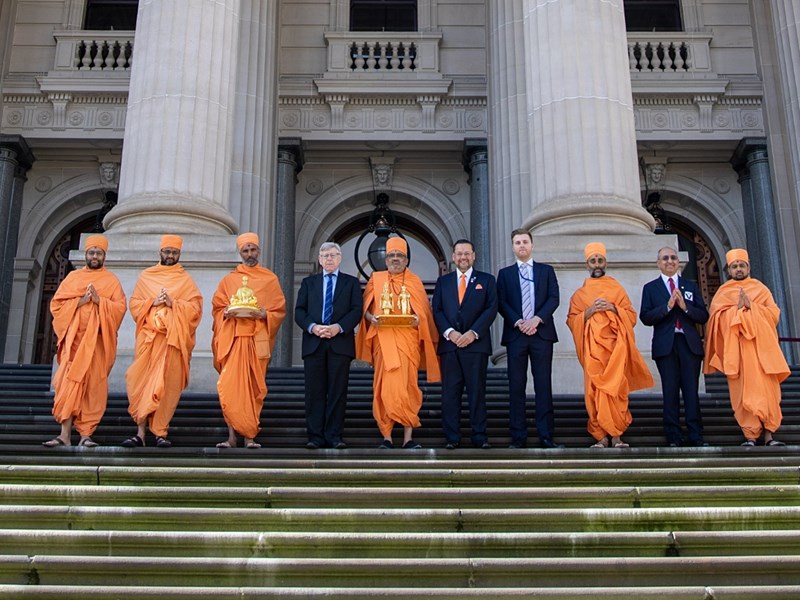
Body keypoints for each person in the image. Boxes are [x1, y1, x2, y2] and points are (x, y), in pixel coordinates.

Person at [356, 236, 441, 449]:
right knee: (384, 389)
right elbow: (365, 309)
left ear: (406, 260)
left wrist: (417, 318)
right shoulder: (376, 280)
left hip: (407, 342)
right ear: (385, 260)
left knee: (407, 388)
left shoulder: (414, 282)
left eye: (400, 256)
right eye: (392, 255)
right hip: (383, 341)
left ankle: (408, 438)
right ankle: (386, 437)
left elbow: (423, 311)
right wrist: (371, 318)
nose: (395, 259)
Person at [567, 242, 653, 448]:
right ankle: (601, 437)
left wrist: (614, 308)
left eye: (600, 260)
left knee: (616, 390)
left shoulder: (617, 289)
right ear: (587, 265)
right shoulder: (580, 295)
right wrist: (590, 311)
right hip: (593, 352)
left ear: (605, 263)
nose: (597, 264)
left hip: (615, 350)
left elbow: (631, 316)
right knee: (595, 392)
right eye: (593, 261)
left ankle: (617, 436)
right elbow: (572, 320)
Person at [43, 234, 126, 448]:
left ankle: (86, 435)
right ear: (86, 255)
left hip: (96, 348)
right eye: (92, 252)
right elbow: (57, 307)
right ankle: (64, 434)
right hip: (74, 346)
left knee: (93, 390)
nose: (95, 256)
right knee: (68, 387)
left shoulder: (111, 281)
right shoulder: (72, 279)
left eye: (99, 253)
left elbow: (119, 310)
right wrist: (81, 301)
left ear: (104, 256)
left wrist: (100, 301)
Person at [122, 235, 203, 448]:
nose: (170, 256)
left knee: (167, 387)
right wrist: (153, 302)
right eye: (167, 252)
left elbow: (195, 310)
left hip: (172, 343)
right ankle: (139, 433)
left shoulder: (185, 280)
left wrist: (173, 304)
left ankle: (160, 432)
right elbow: (134, 305)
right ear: (160, 252)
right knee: (140, 382)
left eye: (174, 253)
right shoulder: (147, 276)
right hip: (149, 340)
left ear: (179, 254)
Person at [704, 248, 790, 446]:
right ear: (729, 270)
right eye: (735, 266)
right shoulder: (724, 292)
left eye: (742, 265)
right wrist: (736, 311)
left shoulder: (760, 289)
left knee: (769, 393)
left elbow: (774, 314)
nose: (739, 269)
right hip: (739, 355)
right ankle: (750, 436)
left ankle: (769, 435)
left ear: (748, 267)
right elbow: (716, 319)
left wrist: (752, 307)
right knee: (742, 395)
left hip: (762, 354)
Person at [211, 233, 286, 449]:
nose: (250, 254)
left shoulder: (269, 278)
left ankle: (250, 436)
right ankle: (232, 437)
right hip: (233, 341)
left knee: (253, 389)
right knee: (231, 388)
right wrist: (226, 312)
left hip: (256, 341)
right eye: (246, 250)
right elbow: (217, 308)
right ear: (240, 253)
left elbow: (279, 309)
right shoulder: (229, 280)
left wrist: (264, 315)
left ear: (259, 251)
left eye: (253, 250)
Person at [496, 229, 561, 448]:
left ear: (532, 245)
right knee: (516, 386)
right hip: (517, 335)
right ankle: (518, 436)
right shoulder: (504, 274)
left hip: (541, 334)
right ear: (513, 247)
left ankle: (545, 435)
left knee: (543, 385)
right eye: (517, 242)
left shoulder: (546, 271)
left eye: (525, 242)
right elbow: (502, 302)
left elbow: (554, 298)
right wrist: (519, 321)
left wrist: (536, 320)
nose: (521, 245)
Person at [294, 242, 362, 449]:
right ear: (319, 260)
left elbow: (356, 311)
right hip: (314, 343)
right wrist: (313, 327)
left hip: (339, 344)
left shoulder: (351, 283)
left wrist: (338, 327)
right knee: (314, 392)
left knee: (337, 392)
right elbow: (299, 311)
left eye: (333, 255)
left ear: (340, 258)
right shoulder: (308, 283)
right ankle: (315, 436)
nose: (329, 259)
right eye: (325, 255)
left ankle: (334, 436)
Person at [640, 246, 709, 447]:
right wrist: (668, 307)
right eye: (665, 258)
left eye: (673, 258)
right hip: (665, 346)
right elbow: (646, 317)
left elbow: (703, 315)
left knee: (690, 391)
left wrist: (685, 308)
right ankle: (673, 436)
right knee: (670, 392)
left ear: (678, 261)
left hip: (689, 345)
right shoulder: (651, 288)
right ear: (658, 263)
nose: (670, 261)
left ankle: (696, 435)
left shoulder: (689, 286)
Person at [432, 239, 498, 449]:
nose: (463, 257)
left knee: (477, 392)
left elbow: (491, 308)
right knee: (450, 393)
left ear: (474, 256)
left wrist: (473, 333)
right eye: (459, 254)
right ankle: (452, 437)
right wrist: (450, 333)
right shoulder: (444, 282)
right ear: (453, 257)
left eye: (467, 253)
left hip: (475, 346)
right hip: (450, 346)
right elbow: (438, 310)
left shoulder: (486, 281)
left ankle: (479, 436)